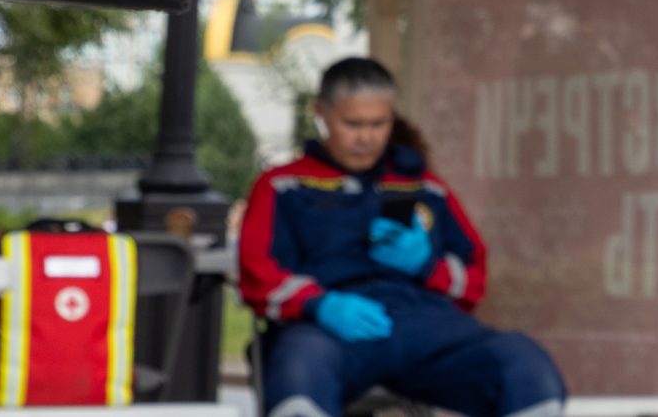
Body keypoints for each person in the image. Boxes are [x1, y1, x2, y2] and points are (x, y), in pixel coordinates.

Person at [238, 57, 565, 417]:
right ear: (321, 114)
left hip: (426, 326)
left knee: (523, 363)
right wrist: (318, 304)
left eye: (379, 123)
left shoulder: (425, 187)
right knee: (298, 373)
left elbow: (474, 277)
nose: (366, 137)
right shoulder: (283, 186)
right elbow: (256, 271)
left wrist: (428, 266)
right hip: (328, 329)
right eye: (353, 124)